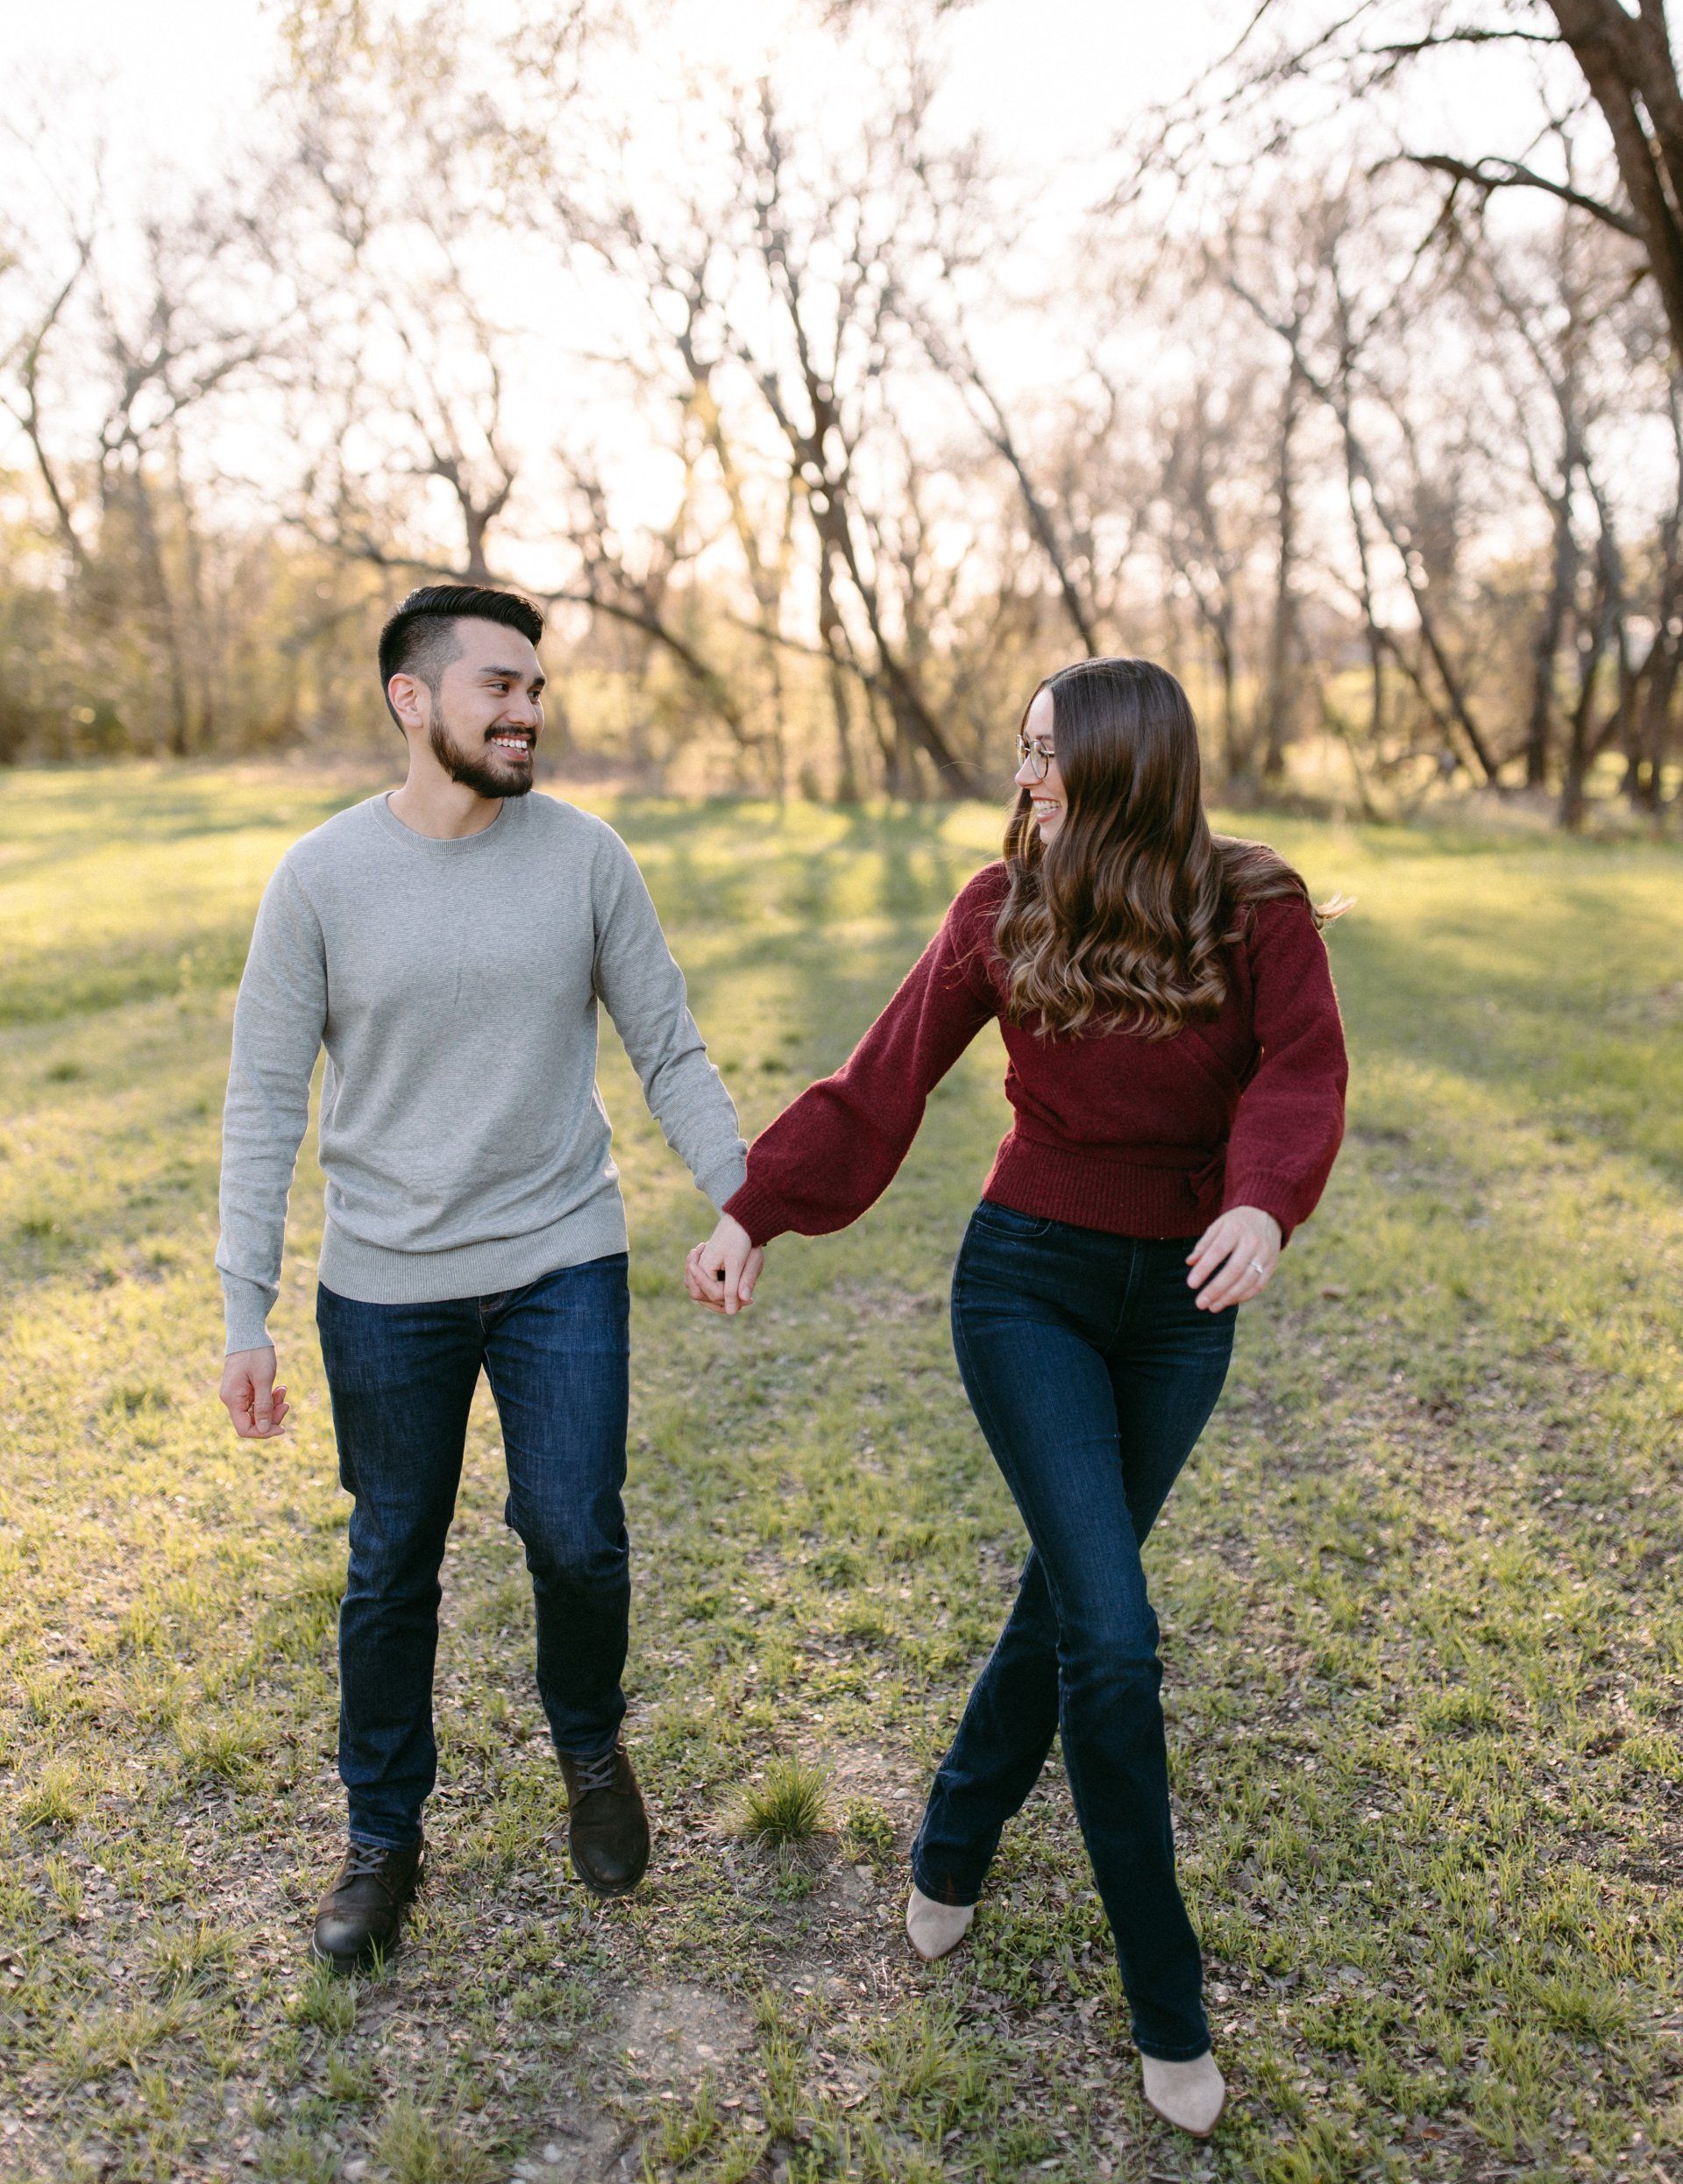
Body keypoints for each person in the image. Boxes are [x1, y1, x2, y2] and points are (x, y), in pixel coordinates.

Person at [686, 658, 1346, 2141]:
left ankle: (956, 1829)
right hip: (1027, 1287)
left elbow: (1302, 1072)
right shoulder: (1001, 909)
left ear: (1125, 768)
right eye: (1025, 749)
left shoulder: (1255, 907)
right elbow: (878, 1085)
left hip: (1181, 1307)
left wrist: (1264, 1199)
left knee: (1070, 1594)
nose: (1025, 775)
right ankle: (1167, 2000)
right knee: (1112, 1634)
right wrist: (753, 1210)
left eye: (1050, 754)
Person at [216, 583, 748, 1971]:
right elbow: (263, 1100)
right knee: (392, 1559)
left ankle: (591, 1749)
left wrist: (744, 1200)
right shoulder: (320, 878)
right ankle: (381, 1838)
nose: (527, 712)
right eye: (498, 687)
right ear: (413, 699)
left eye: (535, 690)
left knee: (576, 1534)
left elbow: (669, 1045)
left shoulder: (586, 859)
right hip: (384, 1281)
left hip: (560, 1252)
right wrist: (242, 1310)